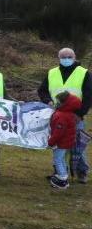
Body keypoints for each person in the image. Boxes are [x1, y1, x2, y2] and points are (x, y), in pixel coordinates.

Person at [38, 48, 91, 183]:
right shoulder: (52, 73)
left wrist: (80, 114)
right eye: (63, 57)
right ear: (59, 58)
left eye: (69, 57)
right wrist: (48, 101)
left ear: (74, 57)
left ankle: (82, 172)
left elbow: (89, 95)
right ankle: (60, 171)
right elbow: (42, 90)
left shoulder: (84, 73)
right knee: (59, 144)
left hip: (75, 116)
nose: (66, 59)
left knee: (77, 146)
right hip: (58, 116)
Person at [48, 92, 82, 190]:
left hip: (61, 143)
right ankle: (64, 176)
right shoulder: (68, 114)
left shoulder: (61, 116)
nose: (56, 103)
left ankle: (62, 178)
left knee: (58, 160)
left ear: (64, 103)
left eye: (58, 101)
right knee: (62, 159)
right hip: (66, 142)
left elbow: (59, 133)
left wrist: (51, 142)